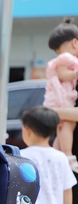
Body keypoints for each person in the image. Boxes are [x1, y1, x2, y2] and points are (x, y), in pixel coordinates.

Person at [44, 19, 78, 173]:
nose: (58, 53)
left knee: (63, 127)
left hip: (59, 104)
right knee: (65, 125)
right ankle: (65, 155)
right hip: (61, 101)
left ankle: (57, 156)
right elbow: (63, 73)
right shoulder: (67, 60)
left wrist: (52, 112)